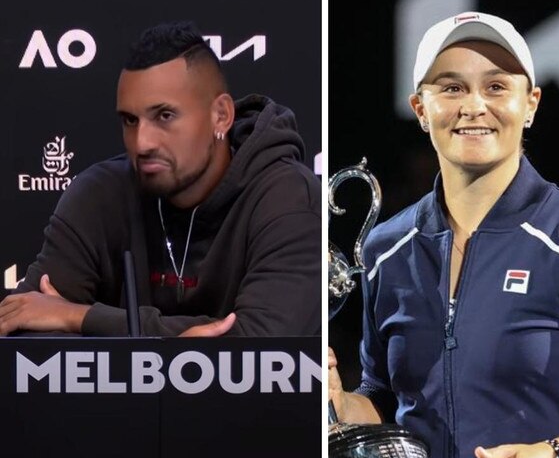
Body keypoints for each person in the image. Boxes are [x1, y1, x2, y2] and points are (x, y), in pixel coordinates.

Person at [329, 12, 559, 458]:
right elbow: (384, 398)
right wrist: (341, 404)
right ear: (421, 109)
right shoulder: (388, 248)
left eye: (496, 86)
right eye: (451, 87)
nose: (473, 105)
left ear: (531, 104)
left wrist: (554, 455)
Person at [0, 21, 321, 338]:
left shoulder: (287, 197)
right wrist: (174, 358)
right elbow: (27, 324)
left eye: (164, 116)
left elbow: (265, 348)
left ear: (220, 115)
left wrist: (80, 317)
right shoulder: (98, 194)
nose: (142, 143)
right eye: (130, 120)